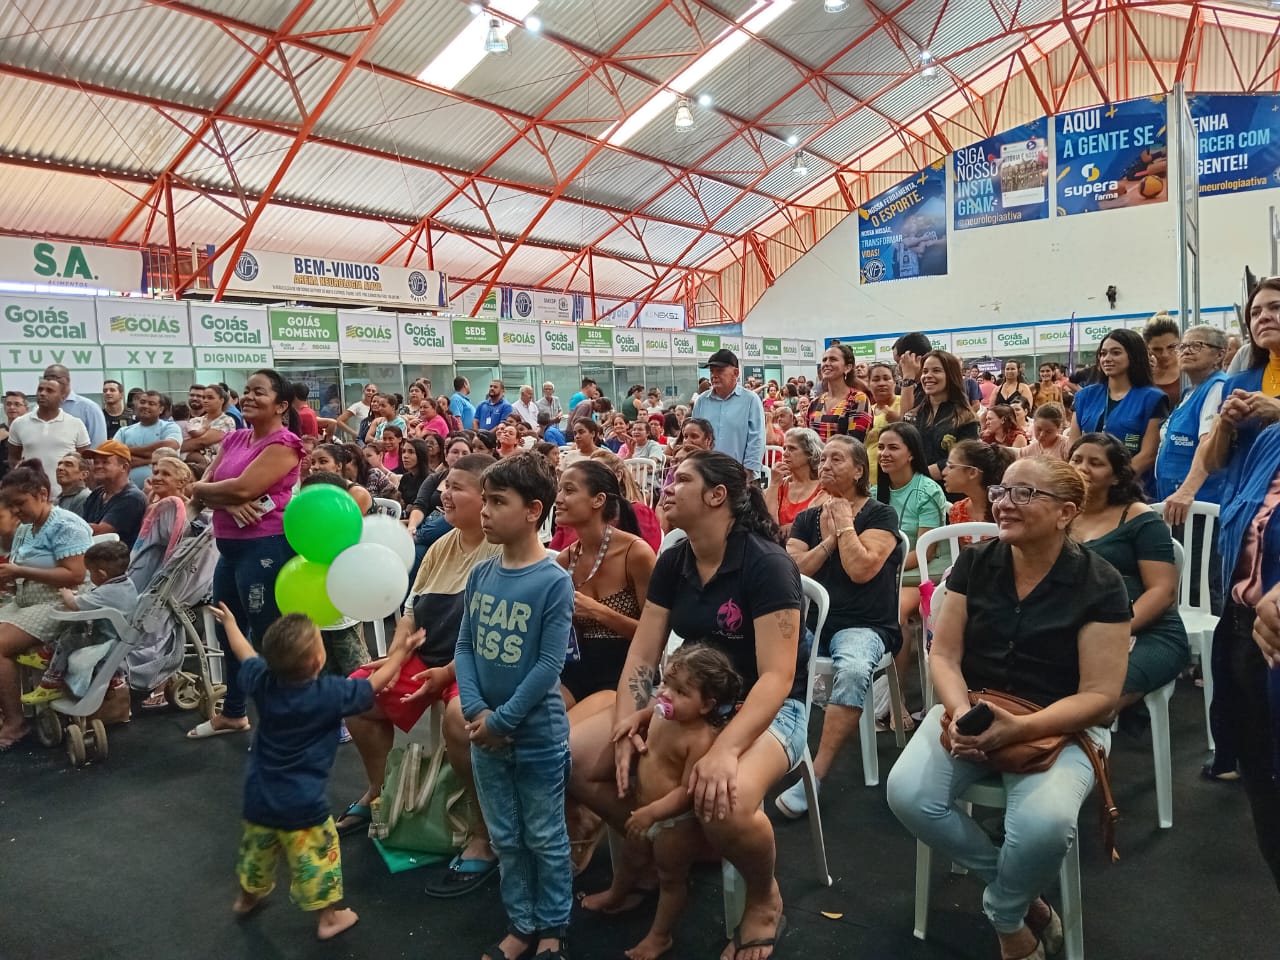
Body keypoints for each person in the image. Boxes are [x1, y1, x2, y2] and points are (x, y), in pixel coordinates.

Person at [886, 456, 1131, 960]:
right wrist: (958, 714)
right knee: (908, 793)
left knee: (1043, 824)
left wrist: (1019, 728)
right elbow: (945, 655)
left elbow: (1100, 697)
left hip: (1063, 722)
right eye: (1002, 491)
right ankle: (1022, 898)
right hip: (973, 706)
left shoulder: (1100, 582)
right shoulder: (976, 563)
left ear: (1065, 513)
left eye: (1024, 494)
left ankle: (1004, 912)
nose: (1003, 503)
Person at [573, 452, 802, 957]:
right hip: (685, 703)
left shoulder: (766, 564)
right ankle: (659, 862)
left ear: (717, 496)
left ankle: (764, 897)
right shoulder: (675, 559)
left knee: (727, 800)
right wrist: (627, 724)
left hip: (767, 710)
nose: (667, 487)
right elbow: (643, 653)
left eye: (681, 479)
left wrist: (727, 749)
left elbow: (778, 677)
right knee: (584, 761)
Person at [213, 604, 412, 941]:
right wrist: (400, 654)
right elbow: (374, 684)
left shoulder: (262, 680)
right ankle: (328, 918)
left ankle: (248, 897)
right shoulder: (329, 694)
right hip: (303, 805)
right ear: (319, 661)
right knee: (318, 858)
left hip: (259, 796)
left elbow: (243, 652)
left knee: (257, 851)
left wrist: (232, 624)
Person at [451, 453, 572, 960]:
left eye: (498, 501)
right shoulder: (481, 575)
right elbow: (465, 648)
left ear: (532, 510)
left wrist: (502, 719)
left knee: (544, 835)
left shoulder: (553, 580)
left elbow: (548, 663)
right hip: (486, 736)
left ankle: (554, 926)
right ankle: (521, 924)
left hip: (537, 734)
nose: (485, 510)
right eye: (486, 499)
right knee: (506, 836)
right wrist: (478, 711)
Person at [776, 436, 901, 817]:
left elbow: (861, 570)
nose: (825, 464)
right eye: (823, 458)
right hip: (814, 623)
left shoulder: (881, 515)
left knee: (852, 669)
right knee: (763, 652)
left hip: (864, 624)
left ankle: (816, 773)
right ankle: (769, 747)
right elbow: (793, 570)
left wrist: (845, 525)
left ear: (860, 471)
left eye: (837, 458)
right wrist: (830, 539)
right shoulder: (807, 519)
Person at [186, 369, 303, 739]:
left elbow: (240, 487)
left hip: (265, 547)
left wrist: (225, 494)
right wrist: (230, 501)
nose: (249, 397)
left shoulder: (285, 444)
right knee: (227, 631)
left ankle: (280, 722)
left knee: (266, 637)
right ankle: (234, 713)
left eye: (260, 392)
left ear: (281, 405)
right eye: (247, 391)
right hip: (230, 549)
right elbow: (200, 486)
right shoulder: (234, 438)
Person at [620, 644, 743, 960]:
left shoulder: (699, 738)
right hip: (645, 810)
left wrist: (652, 813)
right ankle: (617, 893)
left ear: (707, 705)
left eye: (680, 692)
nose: (666, 695)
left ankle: (660, 936)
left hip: (674, 824)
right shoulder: (662, 714)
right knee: (631, 856)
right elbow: (652, 712)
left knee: (671, 879)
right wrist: (638, 715)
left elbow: (688, 792)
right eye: (665, 684)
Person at [1069, 433, 1189, 713]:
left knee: (1093, 703)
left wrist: (1112, 631)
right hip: (1075, 628)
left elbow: (1162, 592)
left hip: (1148, 631)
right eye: (1076, 459)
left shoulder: (1139, 518)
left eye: (1095, 463)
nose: (1082, 468)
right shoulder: (1060, 514)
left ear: (1115, 477)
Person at [0, 460, 93, 748]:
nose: (15, 511)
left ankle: (16, 722)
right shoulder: (28, 528)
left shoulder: (66, 524)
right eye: (10, 505)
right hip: (26, 599)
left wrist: (19, 573)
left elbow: (75, 575)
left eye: (20, 503)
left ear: (42, 493)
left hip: (60, 603)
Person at [554, 460, 656, 710]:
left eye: (569, 490)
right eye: (559, 490)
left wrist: (598, 611)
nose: (558, 499)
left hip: (624, 668)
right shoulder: (565, 559)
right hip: (576, 668)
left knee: (567, 735)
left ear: (598, 500)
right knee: (533, 725)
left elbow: (654, 635)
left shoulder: (635, 553)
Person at [877, 422, 948, 726]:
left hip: (917, 572)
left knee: (898, 617)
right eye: (880, 447)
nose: (884, 454)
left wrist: (881, 564)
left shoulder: (927, 490)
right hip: (884, 572)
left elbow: (927, 552)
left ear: (910, 454)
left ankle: (897, 701)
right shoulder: (874, 490)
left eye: (893, 447)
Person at [21, 539, 136, 705]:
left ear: (101, 574)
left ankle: (51, 683)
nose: (89, 576)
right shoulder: (125, 583)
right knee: (74, 629)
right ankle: (47, 654)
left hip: (106, 640)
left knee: (68, 641)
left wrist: (66, 593)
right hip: (113, 634)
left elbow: (74, 605)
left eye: (90, 572)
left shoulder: (108, 592)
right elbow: (94, 599)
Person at [1069, 328, 1170, 487]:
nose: (1107, 359)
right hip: (1087, 486)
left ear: (1133, 355)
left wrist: (1113, 482)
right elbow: (1072, 445)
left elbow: (1149, 454)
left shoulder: (1153, 398)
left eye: (1116, 353)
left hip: (1132, 489)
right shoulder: (1085, 396)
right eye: (1103, 354)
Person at [906, 350, 980, 486]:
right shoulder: (914, 415)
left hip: (951, 494)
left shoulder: (967, 418)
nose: (928, 376)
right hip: (915, 493)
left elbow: (964, 460)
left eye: (936, 370)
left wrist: (918, 475)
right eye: (925, 371)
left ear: (951, 376)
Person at [6, 378, 90, 495]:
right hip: (32, 495)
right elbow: (14, 457)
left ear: (62, 397)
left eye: (49, 391)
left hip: (68, 495)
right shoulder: (19, 423)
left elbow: (85, 461)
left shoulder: (75, 424)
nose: (42, 393)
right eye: (40, 390)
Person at [693, 349, 766, 478]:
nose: (714, 376)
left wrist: (748, 472)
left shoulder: (750, 400)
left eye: (719, 371)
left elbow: (757, 439)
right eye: (711, 371)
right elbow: (693, 436)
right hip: (706, 473)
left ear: (736, 373)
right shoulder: (701, 401)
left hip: (739, 474)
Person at [82, 440, 149, 548]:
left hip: (118, 562)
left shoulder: (132, 498)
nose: (98, 466)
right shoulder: (97, 493)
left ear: (124, 467)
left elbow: (100, 532)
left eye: (105, 462)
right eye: (96, 462)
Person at [764, 427, 828, 540]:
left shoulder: (823, 488)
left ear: (811, 453)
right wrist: (773, 483)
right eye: (784, 448)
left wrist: (794, 526)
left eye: (792, 449)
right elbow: (768, 524)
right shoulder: (780, 485)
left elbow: (812, 525)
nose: (785, 454)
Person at [115, 390, 182, 488]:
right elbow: (114, 457)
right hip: (126, 491)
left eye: (152, 404)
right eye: (142, 402)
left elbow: (169, 449)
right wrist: (153, 460)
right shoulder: (124, 431)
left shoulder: (170, 427)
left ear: (161, 409)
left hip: (163, 490)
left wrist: (126, 451)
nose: (145, 406)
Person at [807, 344, 872, 443]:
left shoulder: (858, 399)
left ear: (847, 367)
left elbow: (854, 443)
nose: (826, 363)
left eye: (833, 359)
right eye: (824, 360)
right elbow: (808, 442)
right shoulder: (814, 403)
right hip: (816, 458)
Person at [945, 440, 1014, 528]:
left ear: (973, 472)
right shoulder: (958, 511)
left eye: (951, 466)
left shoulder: (1006, 511)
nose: (944, 472)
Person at [42, 363, 106, 448]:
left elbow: (98, 443)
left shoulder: (89, 408)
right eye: (47, 378)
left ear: (67, 380)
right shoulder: (40, 408)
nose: (50, 381)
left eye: (55, 377)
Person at [182, 383, 235, 472]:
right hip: (189, 468)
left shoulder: (226, 421)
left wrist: (177, 447)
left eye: (210, 398)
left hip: (215, 469)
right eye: (203, 398)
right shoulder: (195, 421)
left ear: (221, 400)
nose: (205, 401)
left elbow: (202, 441)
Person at [864, 362, 901, 487]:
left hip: (895, 481)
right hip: (869, 481)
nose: (881, 383)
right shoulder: (867, 411)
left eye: (886, 378)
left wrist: (899, 420)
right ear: (869, 384)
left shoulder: (904, 404)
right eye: (876, 379)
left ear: (894, 382)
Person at [1144, 312, 1184, 407]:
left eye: (1171, 347)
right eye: (1157, 349)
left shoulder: (1190, 370)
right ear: (1147, 347)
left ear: (1180, 342)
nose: (1165, 355)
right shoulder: (1141, 374)